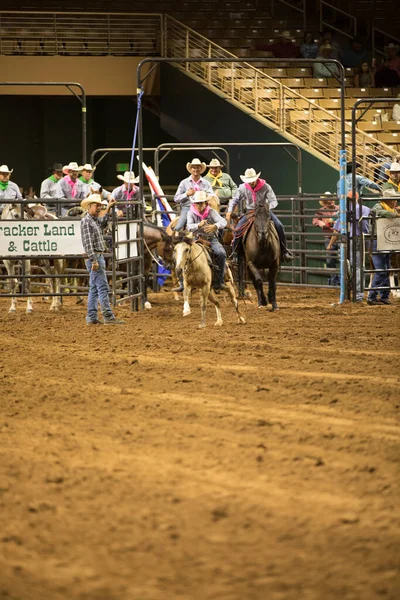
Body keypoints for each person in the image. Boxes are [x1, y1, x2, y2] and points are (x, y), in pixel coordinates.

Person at [226, 167, 294, 262]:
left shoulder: (266, 186)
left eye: (253, 180)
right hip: (250, 212)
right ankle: (235, 253)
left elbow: (274, 201)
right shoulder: (242, 188)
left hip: (264, 211)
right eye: (249, 181)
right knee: (238, 229)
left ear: (256, 178)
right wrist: (230, 210)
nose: (251, 182)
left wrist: (266, 208)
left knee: (279, 226)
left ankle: (284, 251)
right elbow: (234, 200)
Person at [80, 194, 124, 325]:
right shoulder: (87, 221)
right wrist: (93, 260)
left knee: (94, 287)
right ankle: (108, 316)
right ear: (89, 207)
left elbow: (103, 223)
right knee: (102, 286)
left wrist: (109, 208)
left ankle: (91, 316)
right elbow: (87, 244)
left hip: (96, 257)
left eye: (99, 205)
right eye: (96, 205)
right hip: (95, 257)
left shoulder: (92, 220)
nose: (99, 208)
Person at [327, 191, 370, 302]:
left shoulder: (344, 212)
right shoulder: (365, 209)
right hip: (362, 239)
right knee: (359, 266)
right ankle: (358, 294)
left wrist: (330, 244)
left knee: (349, 266)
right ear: (357, 198)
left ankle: (350, 292)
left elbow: (337, 230)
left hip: (350, 240)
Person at [186, 190, 227, 292]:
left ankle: (218, 282)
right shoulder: (191, 213)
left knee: (221, 253)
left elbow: (224, 221)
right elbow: (188, 226)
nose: (199, 205)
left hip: (211, 239)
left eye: (201, 203)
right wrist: (198, 225)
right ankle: (184, 282)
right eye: (197, 203)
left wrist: (215, 226)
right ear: (194, 204)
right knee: (184, 254)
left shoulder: (212, 212)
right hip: (196, 239)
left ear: (206, 203)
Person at [367, 189, 400, 305]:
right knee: (381, 270)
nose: (395, 201)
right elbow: (379, 212)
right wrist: (395, 214)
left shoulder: (388, 207)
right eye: (393, 199)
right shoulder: (378, 206)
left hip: (385, 241)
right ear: (387, 200)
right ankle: (371, 296)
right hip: (378, 241)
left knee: (386, 269)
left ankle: (384, 296)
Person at [174, 158, 214, 232]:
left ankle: (217, 239)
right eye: (193, 167)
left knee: (214, 223)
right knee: (179, 227)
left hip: (203, 208)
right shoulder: (184, 182)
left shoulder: (206, 183)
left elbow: (212, 195)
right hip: (188, 207)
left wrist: (205, 195)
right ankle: (174, 239)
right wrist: (186, 194)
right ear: (191, 169)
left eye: (198, 167)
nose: (196, 169)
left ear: (201, 169)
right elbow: (176, 198)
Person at [312, 192, 340, 285]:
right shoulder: (321, 211)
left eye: (331, 198)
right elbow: (315, 220)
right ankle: (335, 281)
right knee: (329, 260)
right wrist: (320, 222)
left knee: (344, 259)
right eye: (328, 199)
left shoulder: (340, 208)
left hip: (340, 237)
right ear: (324, 202)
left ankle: (343, 280)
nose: (331, 200)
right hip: (329, 237)